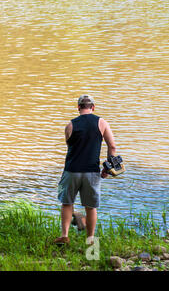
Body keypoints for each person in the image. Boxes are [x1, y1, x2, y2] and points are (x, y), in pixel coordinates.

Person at [54, 95, 117, 245]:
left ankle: (64, 236)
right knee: (91, 207)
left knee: (67, 203)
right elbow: (112, 146)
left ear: (78, 108)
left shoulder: (70, 125)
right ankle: (90, 240)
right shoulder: (101, 123)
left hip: (71, 170)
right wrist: (107, 168)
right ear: (93, 107)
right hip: (92, 172)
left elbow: (70, 147)